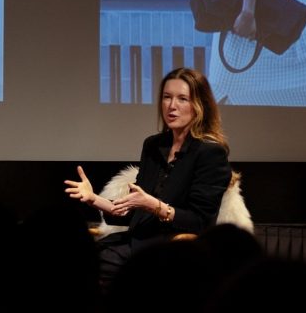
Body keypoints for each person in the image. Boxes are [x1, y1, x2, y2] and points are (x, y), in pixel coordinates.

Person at [65, 67, 232, 284]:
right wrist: (93, 199)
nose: (172, 106)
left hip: (175, 248)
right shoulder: (154, 145)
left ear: (199, 106)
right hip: (138, 239)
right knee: (74, 257)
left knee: (100, 265)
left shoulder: (210, 153)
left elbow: (200, 221)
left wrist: (153, 205)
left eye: (182, 99)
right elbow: (132, 210)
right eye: (166, 97)